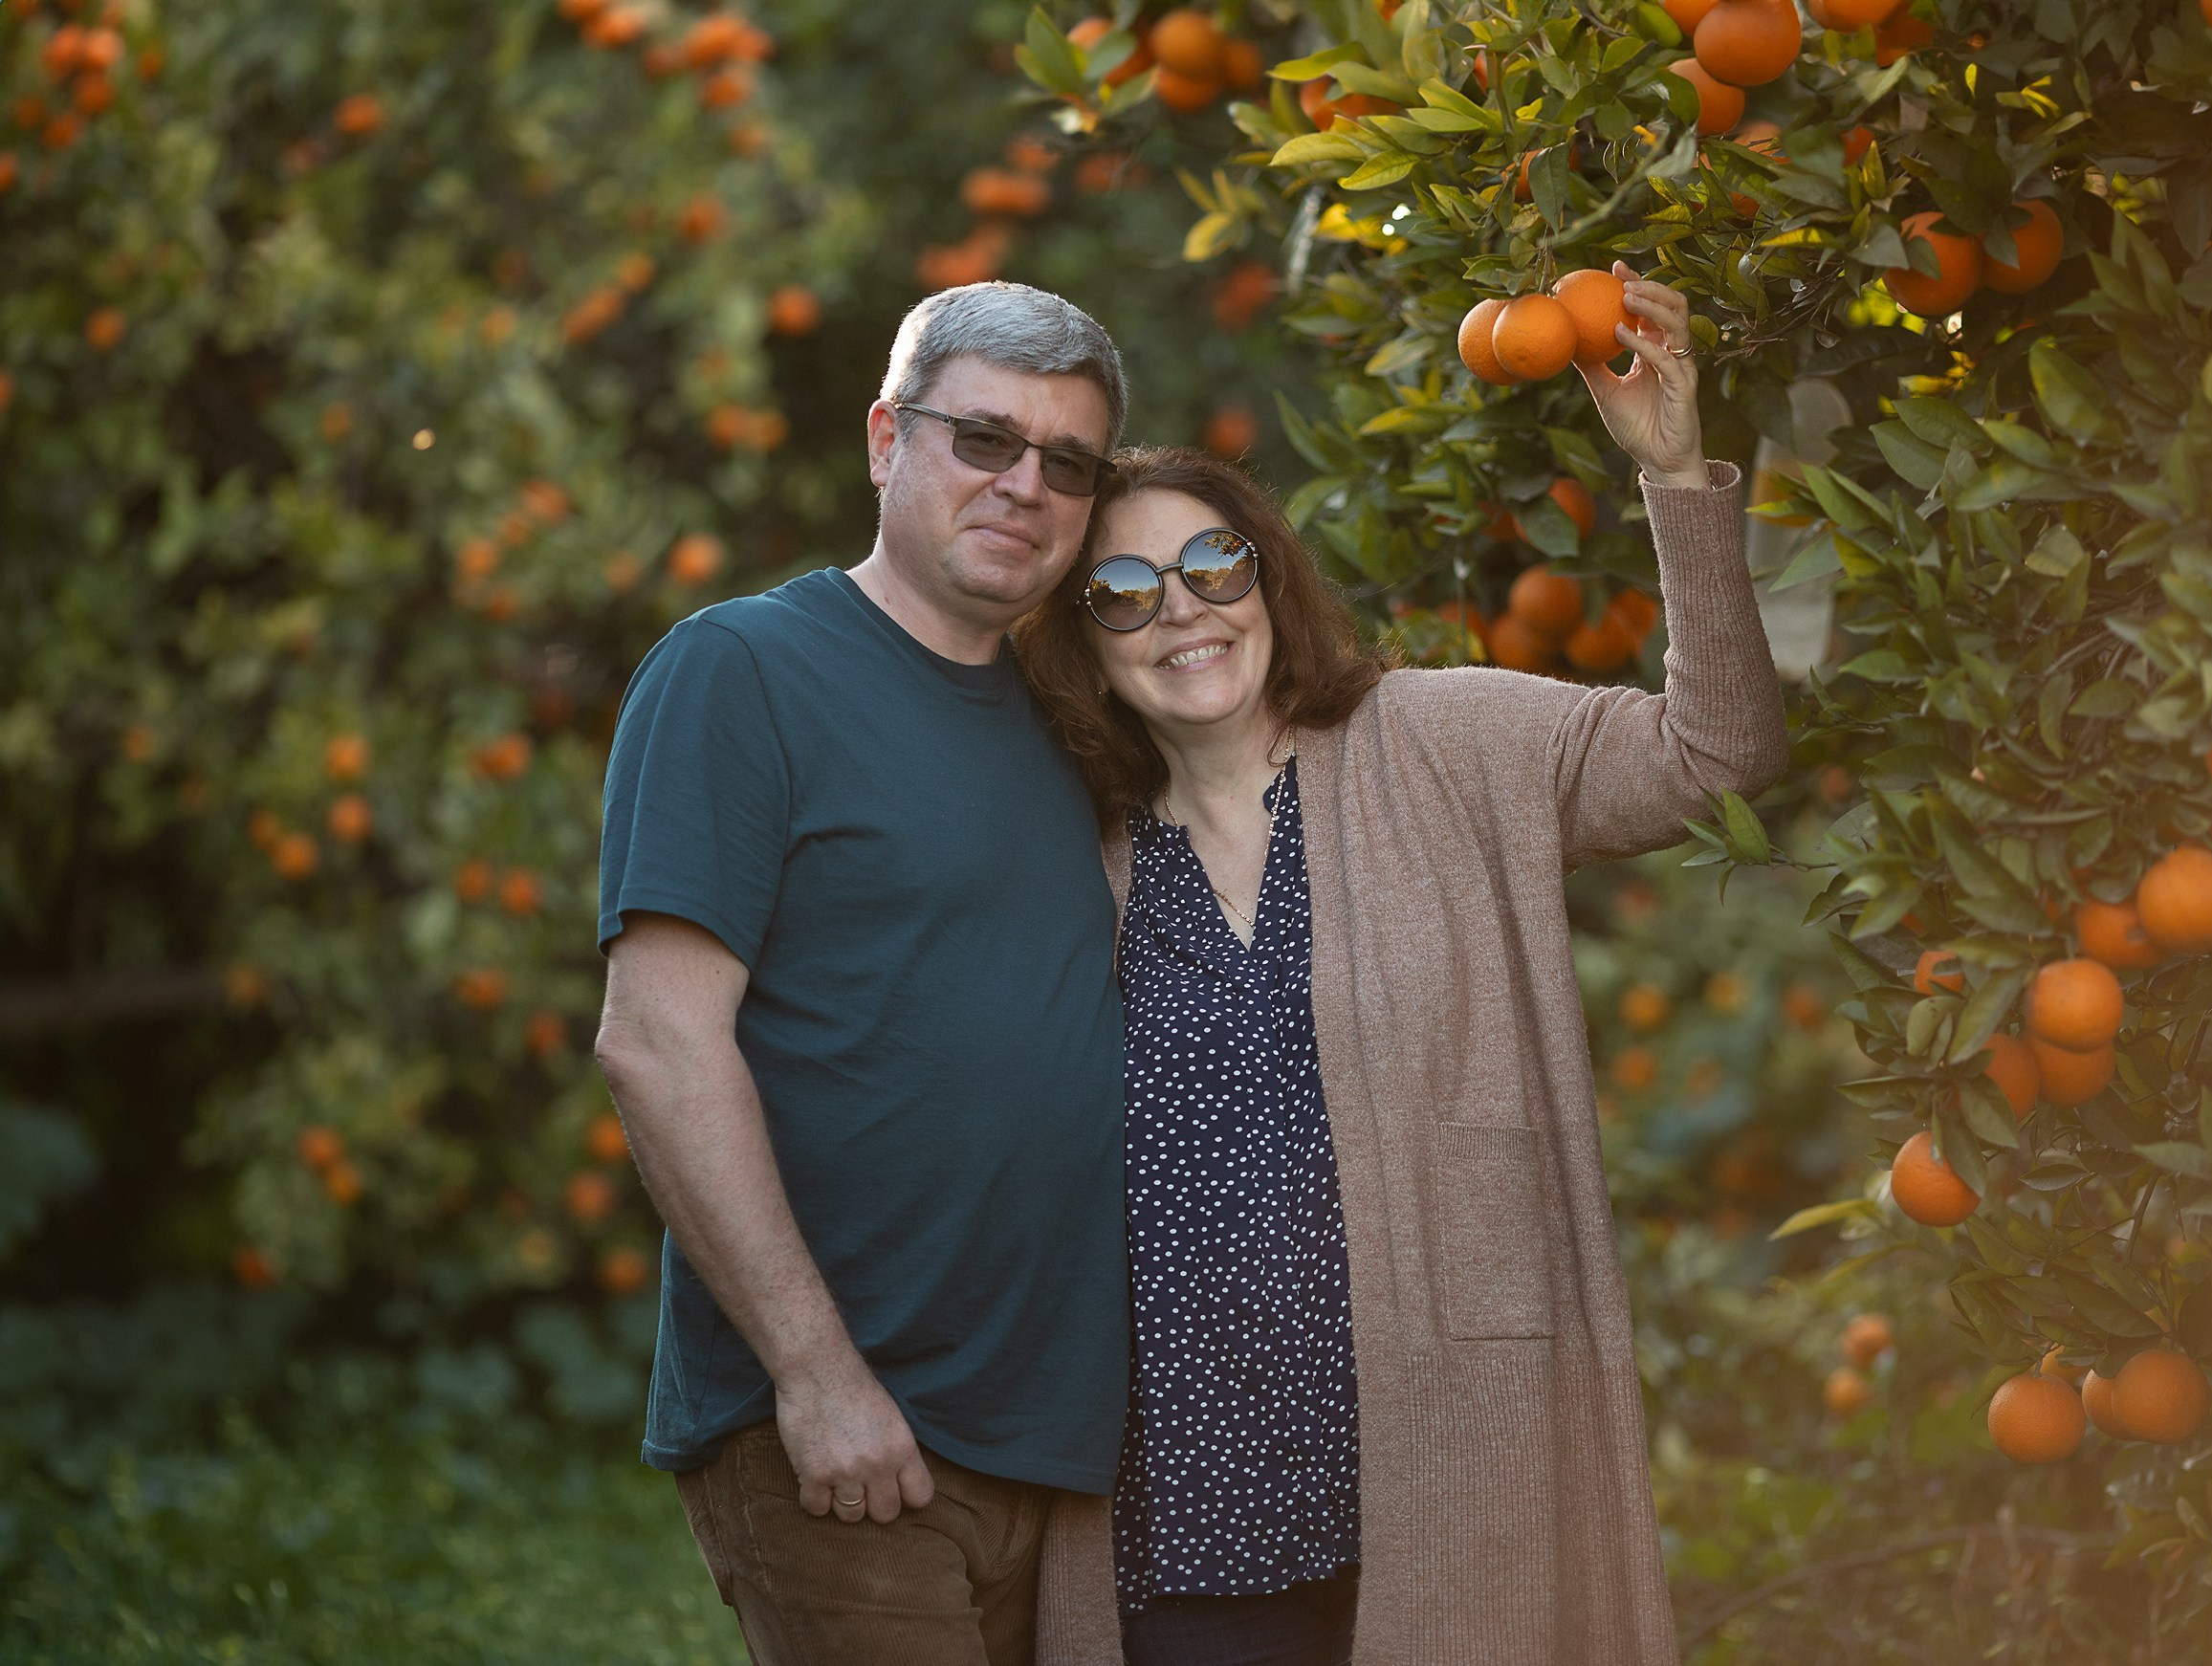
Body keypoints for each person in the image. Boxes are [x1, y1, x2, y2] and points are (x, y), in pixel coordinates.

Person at [1014, 266, 1788, 1666]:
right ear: (1083, 637)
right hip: (1175, 1504)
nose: (1180, 612)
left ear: (1264, 575)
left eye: (1212, 567)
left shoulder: (1436, 740)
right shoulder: (1068, 854)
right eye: (1120, 592)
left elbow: (1712, 758)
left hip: (1439, 1456)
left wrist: (1675, 476)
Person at [593, 282, 1136, 1666]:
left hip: (1063, 1456)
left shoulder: (1078, 724)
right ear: (888, 437)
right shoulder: (742, 670)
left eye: (1066, 463)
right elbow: (656, 1043)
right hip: (848, 1437)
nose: (1024, 484)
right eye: (983, 439)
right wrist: (816, 1376)